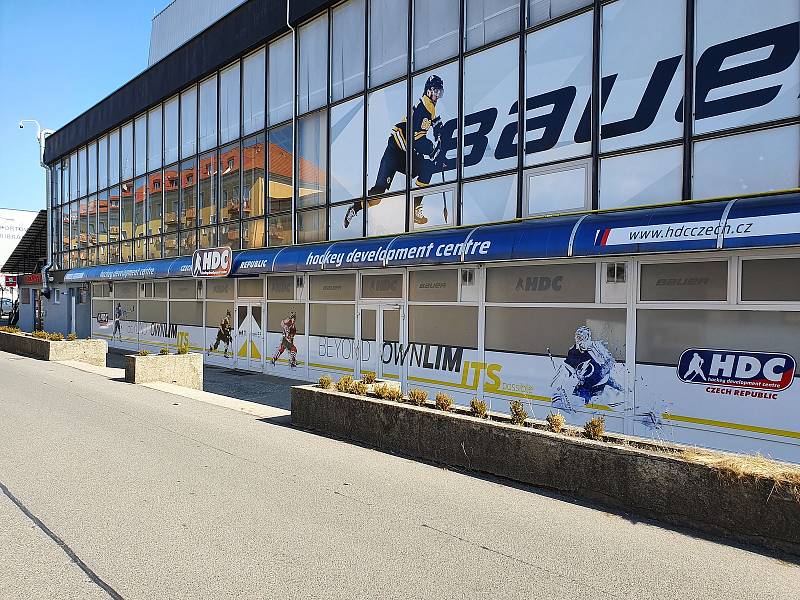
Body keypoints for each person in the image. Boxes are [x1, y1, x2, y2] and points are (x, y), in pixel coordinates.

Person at [343, 75, 446, 229]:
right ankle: (355, 208)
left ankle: (415, 209)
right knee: (378, 195)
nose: (437, 95)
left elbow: (432, 122)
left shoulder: (428, 106)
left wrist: (438, 129)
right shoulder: (423, 109)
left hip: (405, 154)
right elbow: (416, 140)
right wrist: (432, 149)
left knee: (427, 168)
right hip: (394, 153)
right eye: (435, 91)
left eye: (440, 92)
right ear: (428, 90)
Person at [552, 326, 622, 406]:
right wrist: (576, 375)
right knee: (579, 404)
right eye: (578, 337)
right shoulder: (573, 350)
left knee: (614, 397)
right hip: (585, 384)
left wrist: (603, 371)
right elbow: (569, 367)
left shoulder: (597, 346)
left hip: (602, 380)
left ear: (588, 337)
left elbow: (610, 361)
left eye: (582, 337)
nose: (580, 341)